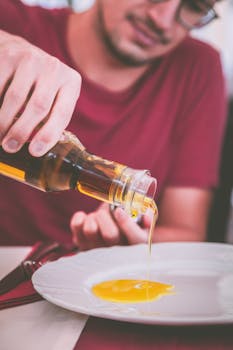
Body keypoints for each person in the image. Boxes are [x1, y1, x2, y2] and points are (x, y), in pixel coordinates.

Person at [0, 0, 227, 249]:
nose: (161, 21)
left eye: (195, 7)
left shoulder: (197, 67)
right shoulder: (15, 22)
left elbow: (185, 232)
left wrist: (133, 244)